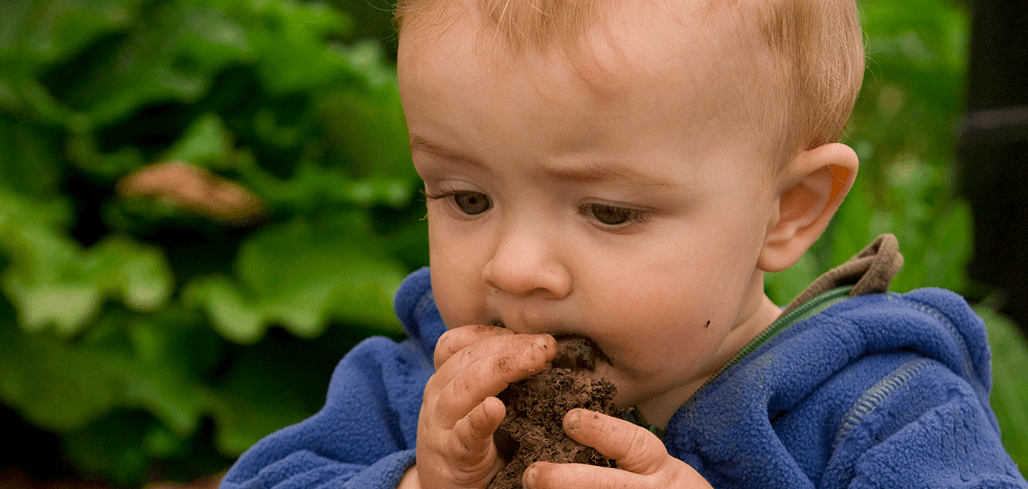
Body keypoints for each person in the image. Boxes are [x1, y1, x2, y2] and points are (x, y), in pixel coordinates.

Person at [220, 0, 1028, 487]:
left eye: (608, 212)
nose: (515, 268)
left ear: (786, 209)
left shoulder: (883, 417)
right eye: (468, 197)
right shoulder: (416, 394)